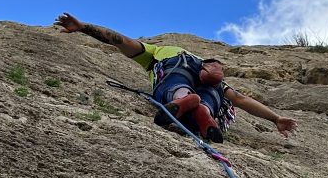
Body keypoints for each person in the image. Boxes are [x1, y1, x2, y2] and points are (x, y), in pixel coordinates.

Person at [54, 14, 298, 143]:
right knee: (212, 98)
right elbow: (241, 100)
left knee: (174, 85)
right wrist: (275, 118)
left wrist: (84, 27)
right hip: (211, 82)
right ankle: (203, 109)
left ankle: (184, 99)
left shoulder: (157, 51)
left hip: (173, 64)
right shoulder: (207, 68)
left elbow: (121, 41)